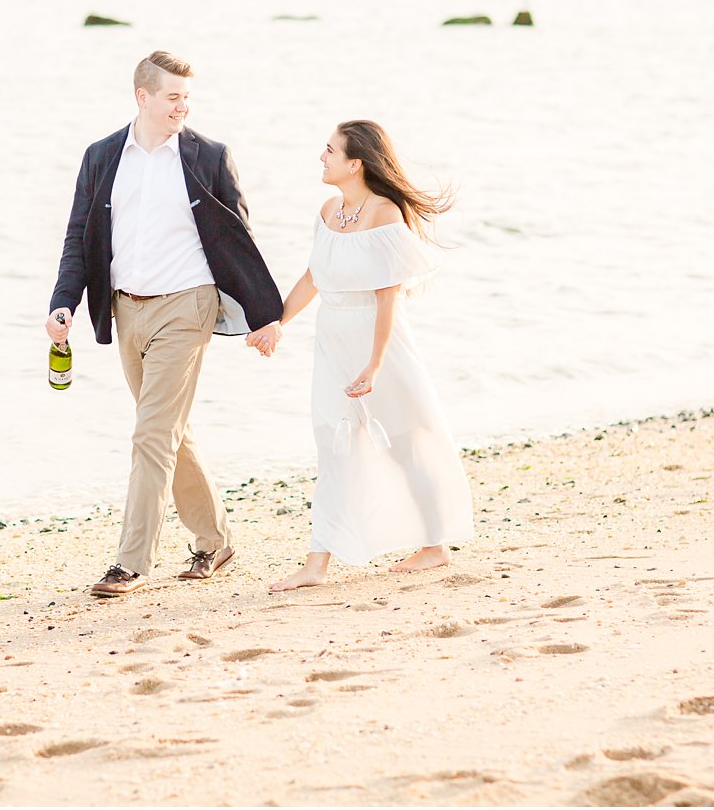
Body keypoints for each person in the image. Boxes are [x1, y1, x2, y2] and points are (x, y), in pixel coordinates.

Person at [47, 50, 284, 598]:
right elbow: (78, 237)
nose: (183, 106)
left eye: (187, 97)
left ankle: (131, 562)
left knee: (151, 434)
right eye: (173, 97)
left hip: (187, 306)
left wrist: (263, 316)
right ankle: (214, 540)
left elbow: (238, 239)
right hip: (126, 308)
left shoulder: (209, 157)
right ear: (143, 97)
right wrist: (64, 303)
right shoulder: (103, 156)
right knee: (168, 432)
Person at [257, 119, 474, 592]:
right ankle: (316, 564)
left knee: (403, 447)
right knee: (332, 445)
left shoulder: (384, 214)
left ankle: (435, 546)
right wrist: (277, 324)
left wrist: (374, 365)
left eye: (330, 151)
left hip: (378, 346)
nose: (322, 157)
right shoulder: (329, 210)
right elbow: (314, 277)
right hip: (331, 340)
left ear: (355, 163)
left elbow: (386, 298)